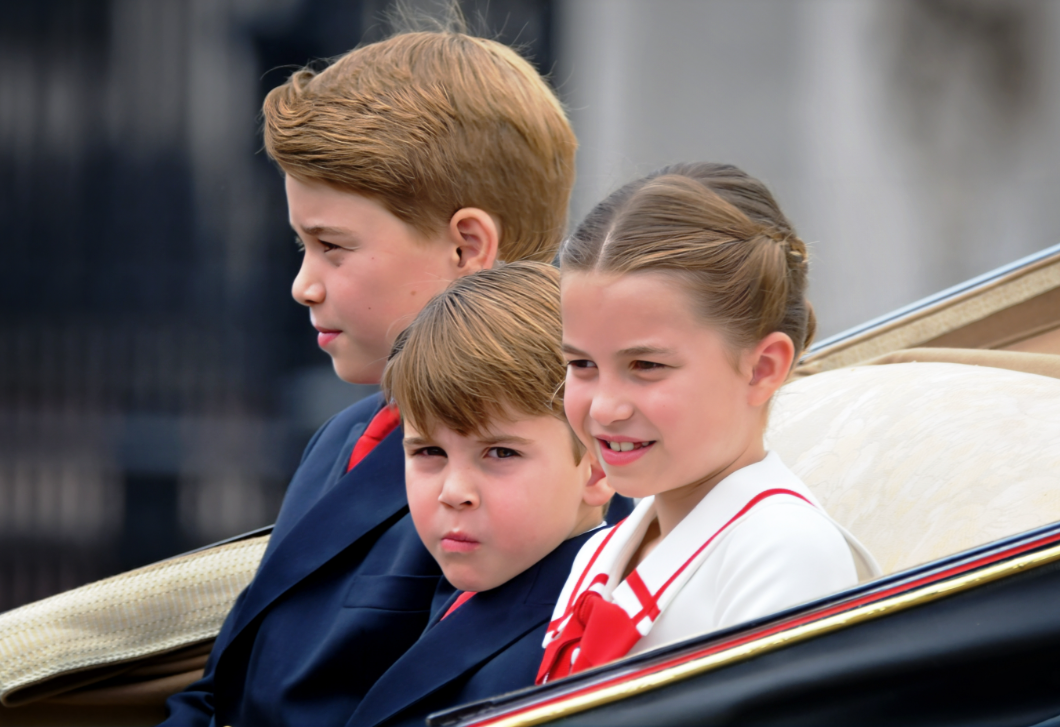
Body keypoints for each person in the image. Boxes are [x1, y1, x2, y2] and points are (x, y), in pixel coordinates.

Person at [161, 28, 631, 727]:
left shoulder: (556, 471)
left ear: (467, 245)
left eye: (332, 246)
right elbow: (224, 685)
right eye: (301, 244)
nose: (302, 284)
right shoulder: (346, 435)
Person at [537, 163, 880, 684]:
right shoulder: (601, 551)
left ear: (762, 368)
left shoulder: (784, 551)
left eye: (646, 366)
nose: (604, 408)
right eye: (582, 365)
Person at [348, 262, 614, 727]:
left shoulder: (568, 650)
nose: (454, 492)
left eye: (500, 453)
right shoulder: (481, 578)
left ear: (597, 468)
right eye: (429, 451)